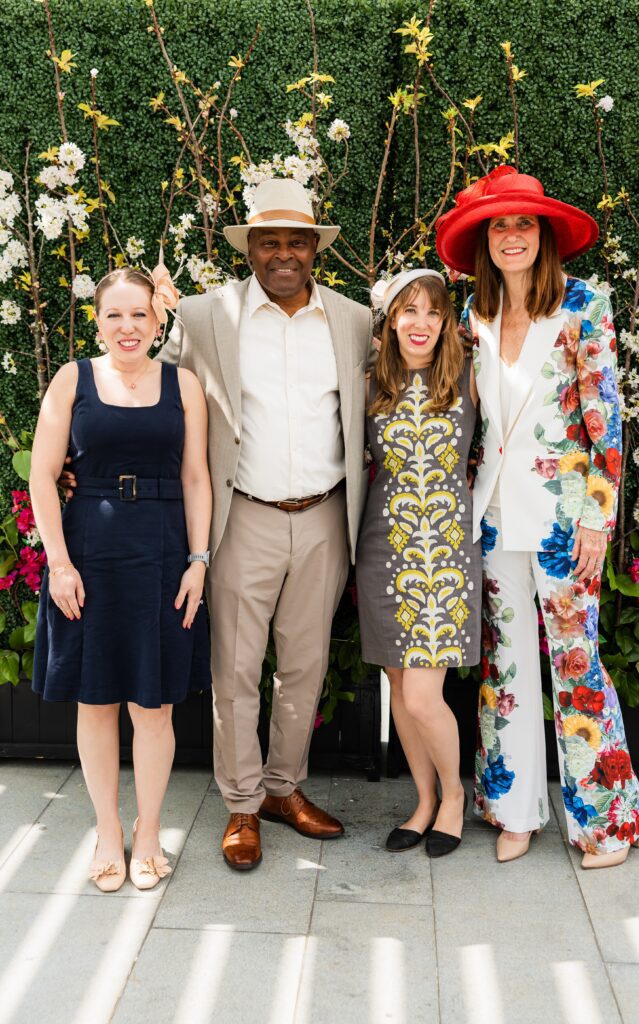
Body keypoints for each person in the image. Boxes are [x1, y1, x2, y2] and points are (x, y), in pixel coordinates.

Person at [155, 178, 374, 870]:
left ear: (315, 249)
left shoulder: (354, 320)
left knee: (304, 667)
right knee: (237, 670)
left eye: (296, 241)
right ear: (249, 248)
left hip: (324, 517)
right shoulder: (205, 316)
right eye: (269, 241)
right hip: (241, 515)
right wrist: (80, 460)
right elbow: (153, 395)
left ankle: (285, 789)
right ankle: (242, 805)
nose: (283, 253)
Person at [436, 166, 639, 867]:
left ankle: (606, 824)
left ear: (545, 235)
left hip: (565, 522)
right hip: (491, 515)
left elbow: (606, 420)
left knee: (576, 661)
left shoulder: (585, 304)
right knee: (507, 664)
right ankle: (513, 808)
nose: (512, 236)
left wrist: (598, 518)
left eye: (524, 224)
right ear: (484, 240)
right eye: (499, 225)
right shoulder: (472, 313)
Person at [31, 265, 212, 892]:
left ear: (157, 320)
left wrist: (199, 560)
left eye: (140, 314)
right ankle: (108, 832)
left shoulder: (183, 384)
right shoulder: (71, 379)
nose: (128, 326)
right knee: (96, 700)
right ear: (98, 322)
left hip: (162, 555)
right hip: (88, 556)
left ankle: (150, 831)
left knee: (153, 706)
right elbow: (41, 476)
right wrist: (58, 562)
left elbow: (196, 478)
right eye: (115, 315)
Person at [356, 269, 481, 857]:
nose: (421, 324)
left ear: (447, 321)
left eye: (433, 312)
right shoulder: (370, 384)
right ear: (389, 321)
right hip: (384, 544)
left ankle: (453, 796)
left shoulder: (467, 377)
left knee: (423, 696)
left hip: (447, 549)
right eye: (409, 311)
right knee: (400, 683)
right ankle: (424, 801)